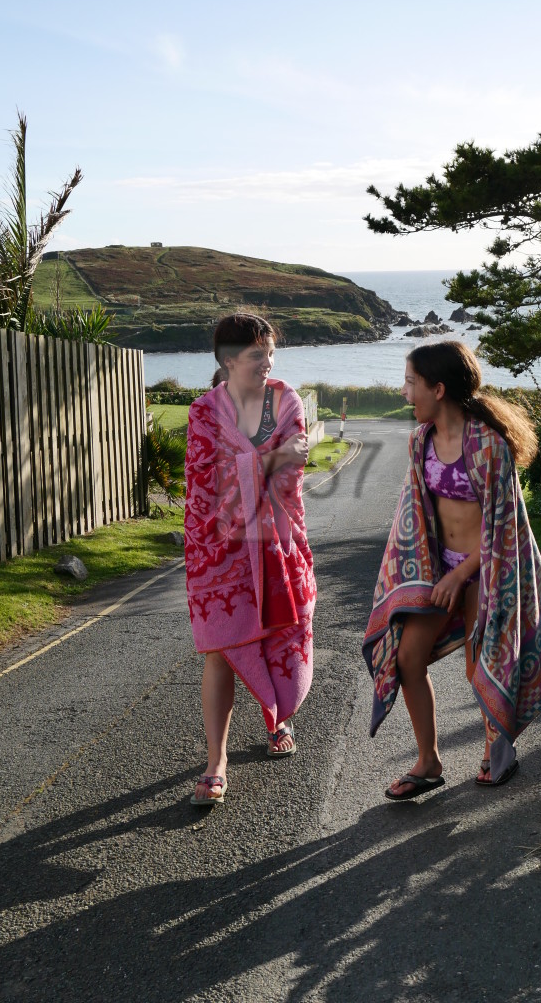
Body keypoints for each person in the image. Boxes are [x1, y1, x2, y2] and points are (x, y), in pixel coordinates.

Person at [363, 341, 541, 800]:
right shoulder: (420, 440)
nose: (405, 392)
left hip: (485, 569)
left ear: (438, 389)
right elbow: (416, 513)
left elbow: (504, 529)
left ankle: (496, 752)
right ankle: (429, 761)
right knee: (407, 659)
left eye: (411, 383)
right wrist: (426, 571)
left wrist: (461, 575)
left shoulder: (488, 445)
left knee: (480, 664)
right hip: (438, 568)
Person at [184, 313, 316, 805]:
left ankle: (277, 719)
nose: (269, 363)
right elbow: (205, 480)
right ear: (228, 360)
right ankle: (216, 761)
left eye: (271, 353)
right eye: (258, 354)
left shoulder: (286, 401)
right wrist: (271, 458)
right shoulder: (203, 412)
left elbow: (296, 462)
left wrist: (273, 462)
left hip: (275, 541)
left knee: (278, 631)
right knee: (222, 648)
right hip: (219, 549)